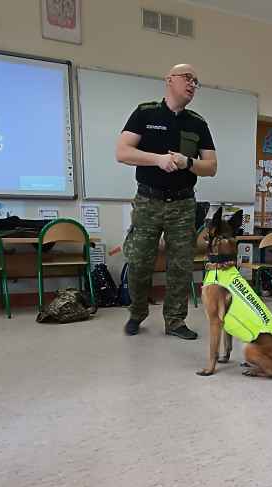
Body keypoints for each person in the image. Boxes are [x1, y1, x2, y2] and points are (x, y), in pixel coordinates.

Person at [116, 64, 217, 339]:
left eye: (196, 81)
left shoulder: (197, 123)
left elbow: (211, 166)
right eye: (188, 78)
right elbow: (122, 152)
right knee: (139, 261)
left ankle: (175, 321)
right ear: (169, 80)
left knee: (181, 266)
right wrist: (157, 160)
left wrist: (188, 162)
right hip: (148, 200)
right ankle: (137, 313)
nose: (192, 84)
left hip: (183, 204)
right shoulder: (145, 113)